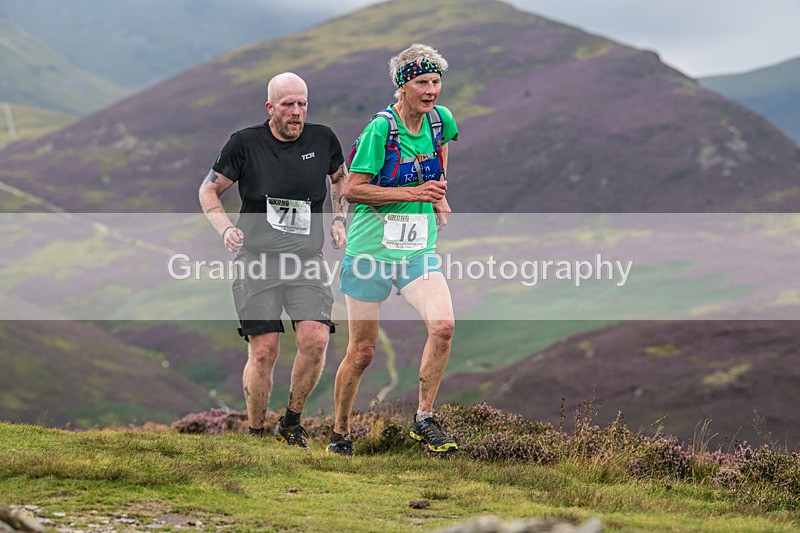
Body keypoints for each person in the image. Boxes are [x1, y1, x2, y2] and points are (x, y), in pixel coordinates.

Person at [199, 72, 347, 448]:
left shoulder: (324, 138)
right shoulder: (245, 143)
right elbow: (209, 189)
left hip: (306, 259)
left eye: (302, 104)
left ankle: (291, 422)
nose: (296, 113)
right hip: (258, 260)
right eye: (288, 105)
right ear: (270, 108)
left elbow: (340, 180)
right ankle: (255, 433)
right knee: (263, 349)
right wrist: (225, 229)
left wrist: (340, 219)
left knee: (315, 339)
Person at [328, 44, 458, 456]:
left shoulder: (440, 121)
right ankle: (340, 432)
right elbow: (353, 190)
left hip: (418, 249)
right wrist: (414, 191)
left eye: (436, 81)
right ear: (403, 85)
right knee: (363, 352)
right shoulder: (380, 130)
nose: (432, 90)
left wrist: (437, 196)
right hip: (370, 252)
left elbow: (439, 159)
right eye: (423, 82)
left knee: (443, 327)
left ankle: (424, 418)